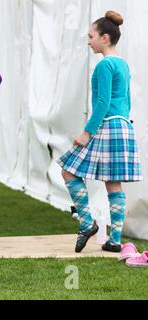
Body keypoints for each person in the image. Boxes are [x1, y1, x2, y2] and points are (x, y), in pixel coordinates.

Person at [58, 11, 142, 253]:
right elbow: (125, 100)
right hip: (124, 125)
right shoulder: (123, 64)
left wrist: (87, 132)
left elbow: (103, 102)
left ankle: (86, 223)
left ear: (105, 38)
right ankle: (114, 240)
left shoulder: (105, 64)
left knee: (67, 171)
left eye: (91, 36)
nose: (88, 41)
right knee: (113, 184)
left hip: (108, 125)